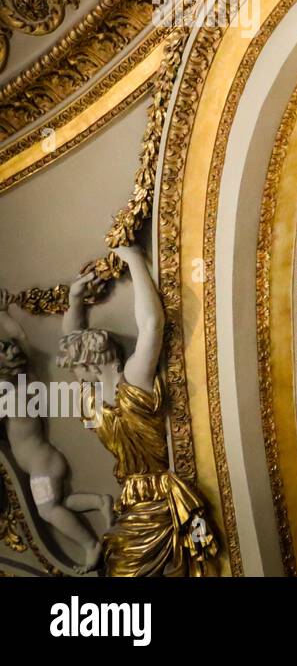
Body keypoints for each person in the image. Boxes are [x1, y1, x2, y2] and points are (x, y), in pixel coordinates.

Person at [57, 245, 219, 577]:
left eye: (76, 367)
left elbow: (152, 324)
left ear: (90, 363)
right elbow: (70, 339)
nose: (73, 374)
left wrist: (133, 259)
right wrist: (75, 303)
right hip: (132, 500)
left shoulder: (134, 384)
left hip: (159, 501)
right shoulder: (94, 400)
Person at [0, 300, 111, 573]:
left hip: (40, 466)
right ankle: (99, 502)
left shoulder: (8, 394)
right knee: (58, 504)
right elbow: (22, 337)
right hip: (46, 461)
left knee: (47, 511)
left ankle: (90, 545)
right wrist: (2, 314)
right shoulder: (29, 379)